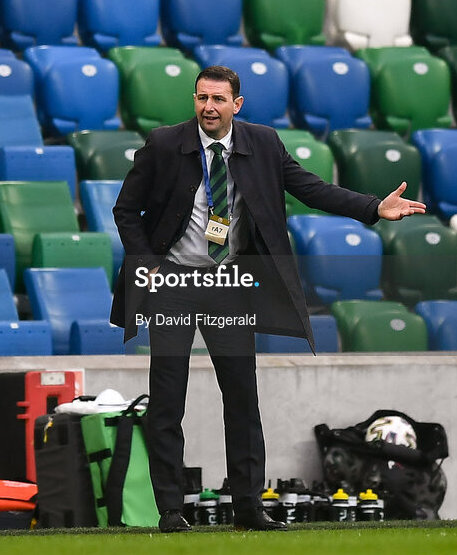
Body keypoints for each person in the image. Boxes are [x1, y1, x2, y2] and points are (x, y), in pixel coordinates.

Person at [111, 66, 425, 532]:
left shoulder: (263, 144)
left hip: (229, 285)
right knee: (167, 399)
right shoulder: (163, 143)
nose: (208, 108)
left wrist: (372, 207)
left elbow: (312, 190)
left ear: (237, 104)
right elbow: (125, 210)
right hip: (174, 282)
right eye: (201, 98)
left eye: (218, 100)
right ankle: (171, 511)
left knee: (241, 397)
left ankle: (248, 507)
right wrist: (148, 262)